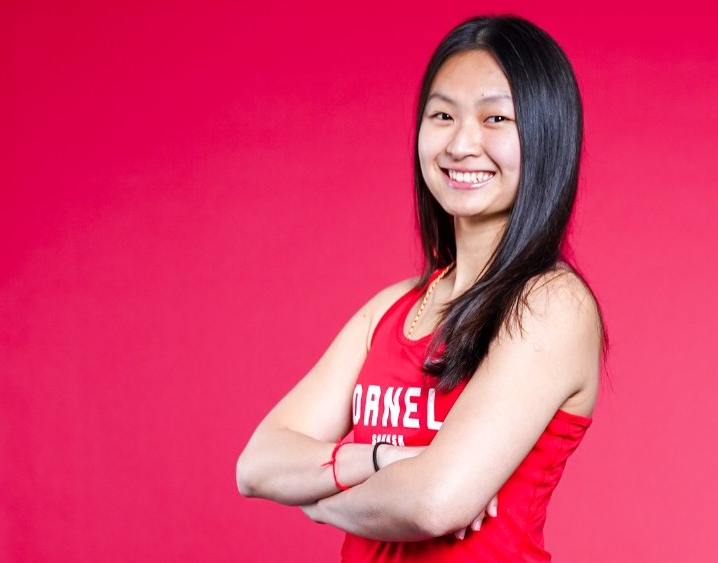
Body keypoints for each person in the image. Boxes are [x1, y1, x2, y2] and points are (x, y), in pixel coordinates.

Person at [237, 15, 604, 562]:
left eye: (495, 117)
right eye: (442, 115)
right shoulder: (393, 307)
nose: (461, 143)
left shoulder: (552, 302)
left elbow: (437, 503)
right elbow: (257, 464)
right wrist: (379, 461)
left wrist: (317, 498)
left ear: (547, 135)